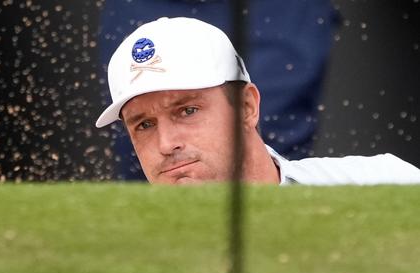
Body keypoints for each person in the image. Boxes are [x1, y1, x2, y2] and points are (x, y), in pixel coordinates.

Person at [95, 17, 420, 185]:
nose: (166, 144)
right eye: (144, 124)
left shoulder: (383, 181)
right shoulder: (114, 261)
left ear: (247, 107)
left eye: (187, 110)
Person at [98, 0, 339, 179]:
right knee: (150, 148)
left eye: (188, 111)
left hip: (271, 9)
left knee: (262, 144)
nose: (166, 143)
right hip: (148, 4)